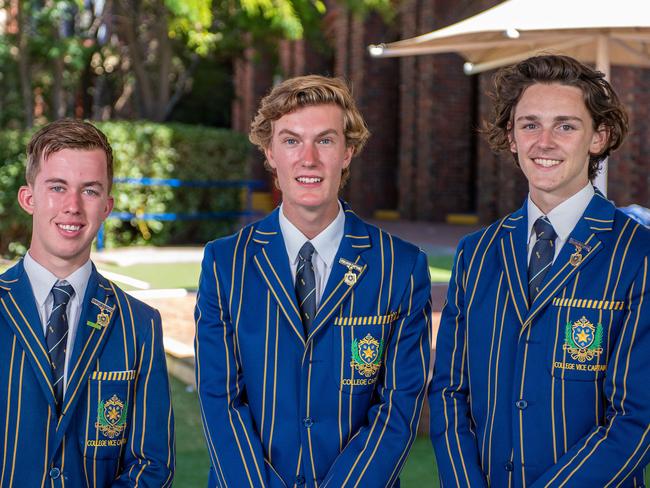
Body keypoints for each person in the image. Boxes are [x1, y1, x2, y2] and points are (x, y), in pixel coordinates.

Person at [195, 75, 432, 487]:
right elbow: (220, 401)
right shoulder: (224, 263)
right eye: (291, 141)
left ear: (348, 152)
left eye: (324, 140)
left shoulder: (402, 267)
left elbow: (397, 408)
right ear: (270, 152)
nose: (308, 159)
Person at [430, 54, 650, 487]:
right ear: (511, 137)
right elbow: (449, 392)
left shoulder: (638, 255)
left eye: (565, 126)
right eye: (529, 124)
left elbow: (636, 417)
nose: (543, 142)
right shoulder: (475, 253)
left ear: (598, 137)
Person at [0, 119, 174, 486]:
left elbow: (152, 465)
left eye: (90, 191)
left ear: (107, 206)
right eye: (57, 187)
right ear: (28, 198)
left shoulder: (139, 324)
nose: (72, 206)